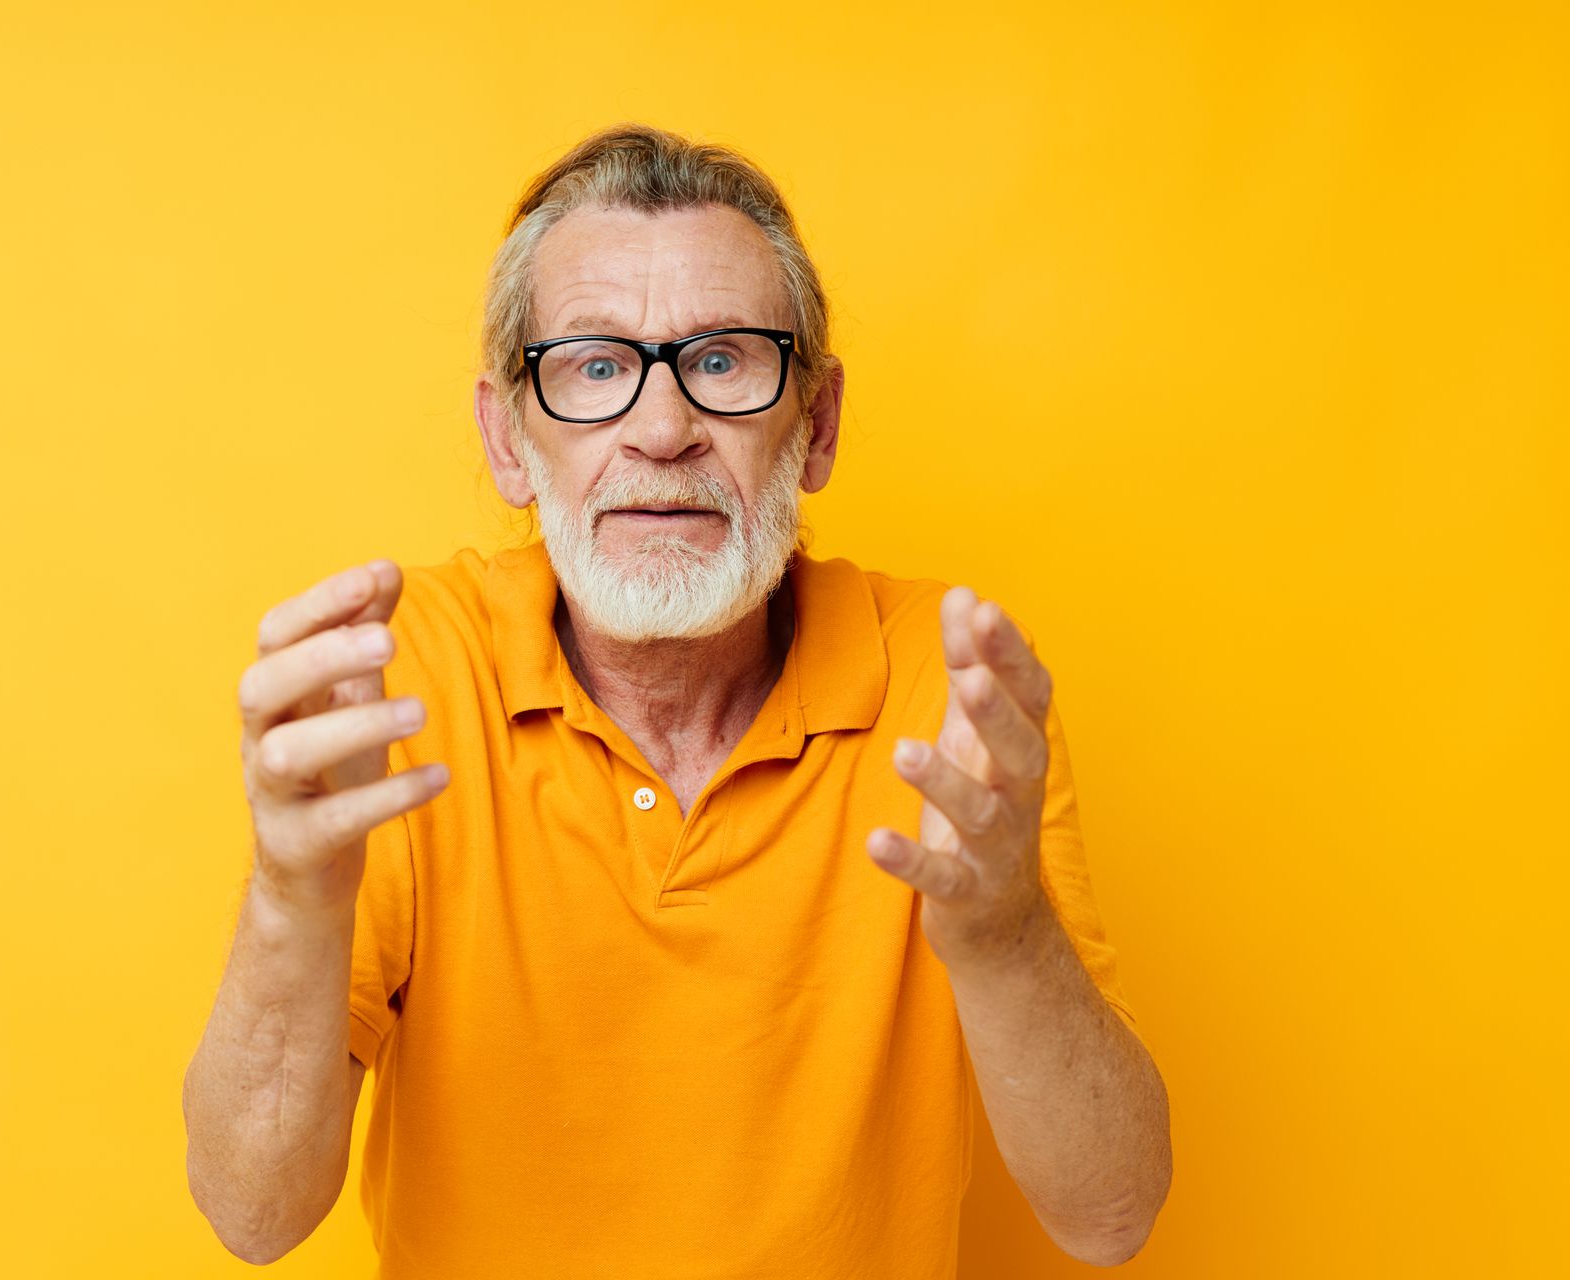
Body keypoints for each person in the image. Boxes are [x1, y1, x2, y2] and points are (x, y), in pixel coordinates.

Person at [182, 123, 1171, 1277]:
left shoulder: (950, 688)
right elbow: (252, 1214)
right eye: (596, 367)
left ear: (819, 425)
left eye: (723, 360)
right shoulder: (399, 681)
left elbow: (1111, 1214)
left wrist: (1007, 938)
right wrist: (296, 904)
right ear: (509, 439)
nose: (662, 429)